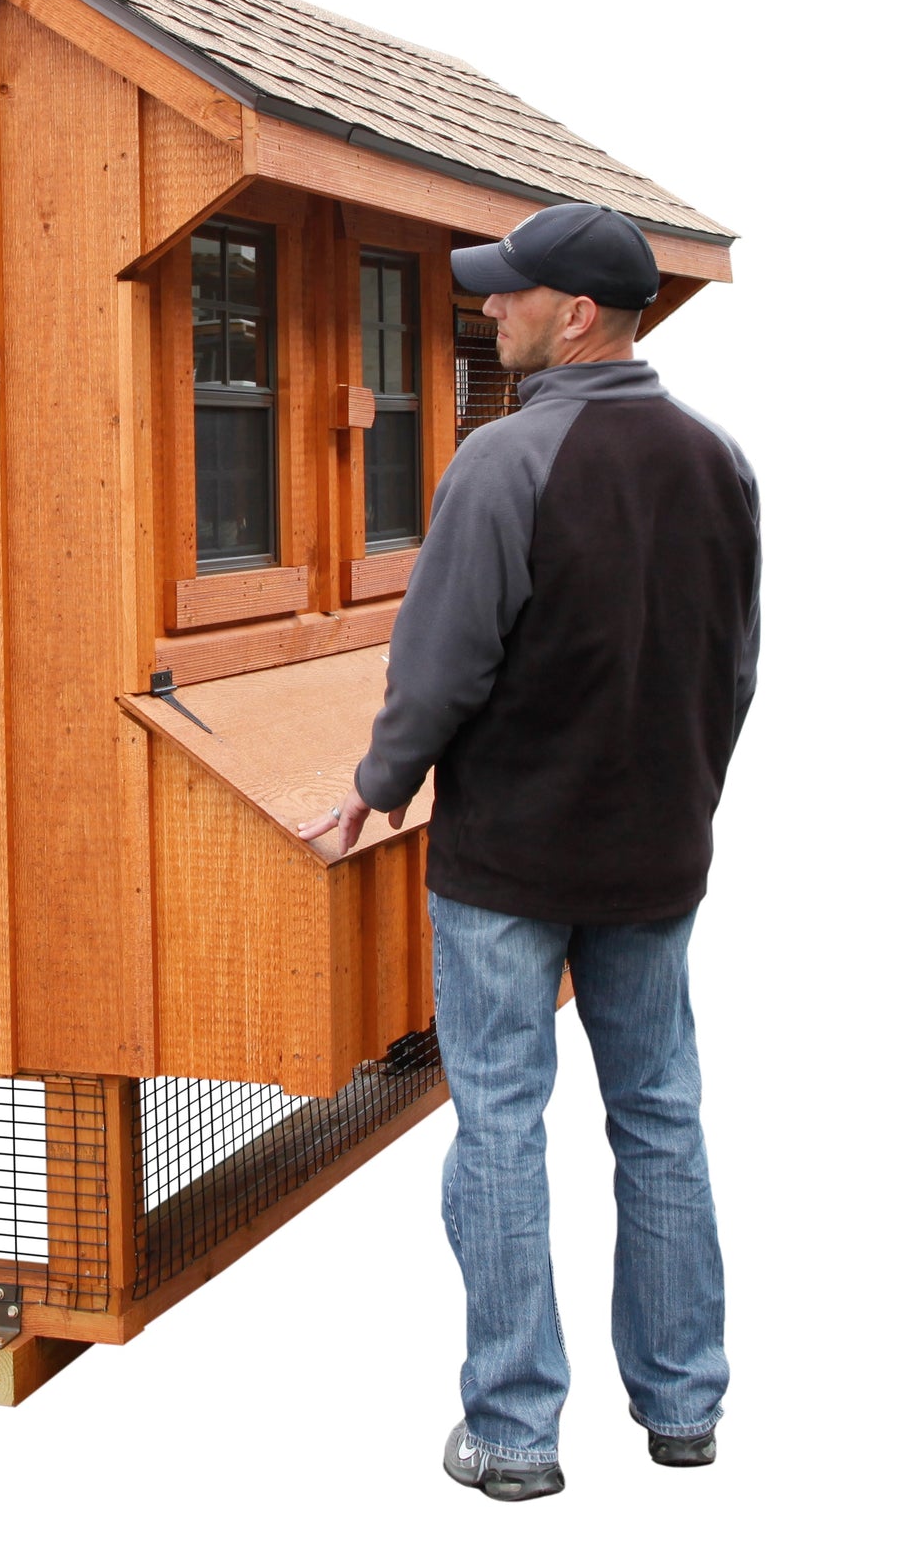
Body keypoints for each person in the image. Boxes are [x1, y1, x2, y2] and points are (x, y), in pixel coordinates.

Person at [298, 202, 759, 1502]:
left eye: (508, 292)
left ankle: (512, 1435)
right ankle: (683, 1408)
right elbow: (732, 668)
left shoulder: (501, 461)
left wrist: (378, 787)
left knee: (501, 1123)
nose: (487, 307)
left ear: (576, 316)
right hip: (652, 858)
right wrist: (683, 801)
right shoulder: (719, 460)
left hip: (507, 862)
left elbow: (439, 667)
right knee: (659, 1115)